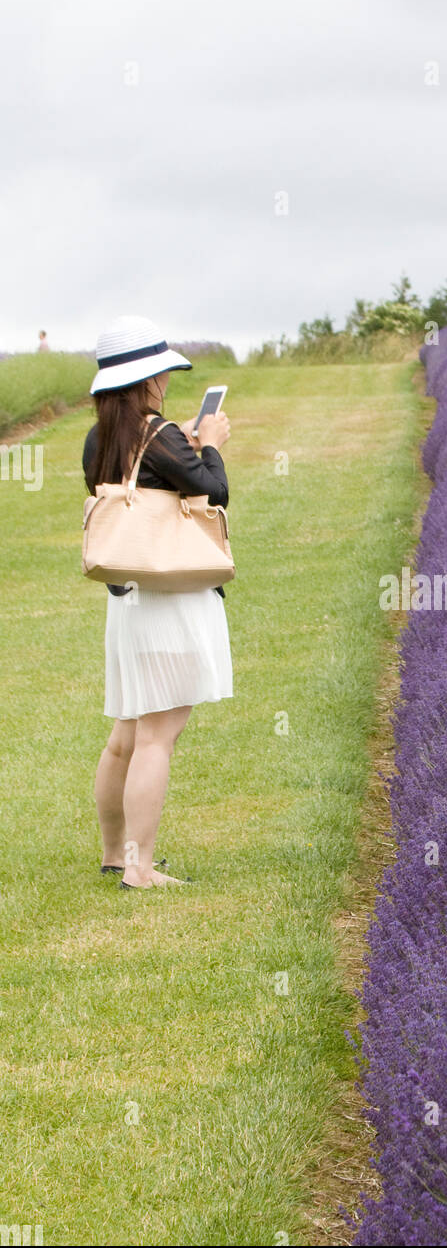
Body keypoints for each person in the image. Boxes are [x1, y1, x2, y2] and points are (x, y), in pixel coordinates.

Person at [82, 314, 233, 890]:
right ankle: (141, 869)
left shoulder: (99, 437)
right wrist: (210, 447)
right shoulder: (159, 432)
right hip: (171, 597)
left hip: (128, 601)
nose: (166, 382)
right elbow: (211, 491)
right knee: (155, 738)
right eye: (163, 373)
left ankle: (117, 855)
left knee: (125, 736)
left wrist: (187, 446)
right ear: (147, 379)